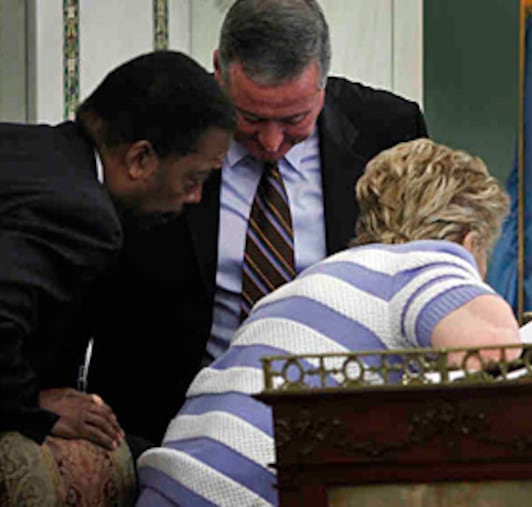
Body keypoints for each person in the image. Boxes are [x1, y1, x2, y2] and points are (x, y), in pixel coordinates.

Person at [88, 0, 429, 448]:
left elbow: (421, 272)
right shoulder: (156, 128)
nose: (271, 142)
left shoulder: (388, 131)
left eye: (294, 120)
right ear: (218, 71)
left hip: (347, 425)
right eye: (248, 118)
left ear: (322, 82)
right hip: (173, 428)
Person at [135, 138, 521, 506]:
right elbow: (495, 370)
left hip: (168, 486)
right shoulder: (427, 263)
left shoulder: (310, 283)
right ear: (470, 242)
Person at [0, 50, 235, 504]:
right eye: (193, 179)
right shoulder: (83, 213)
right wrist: (31, 404)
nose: (196, 197)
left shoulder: (36, 152)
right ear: (141, 159)